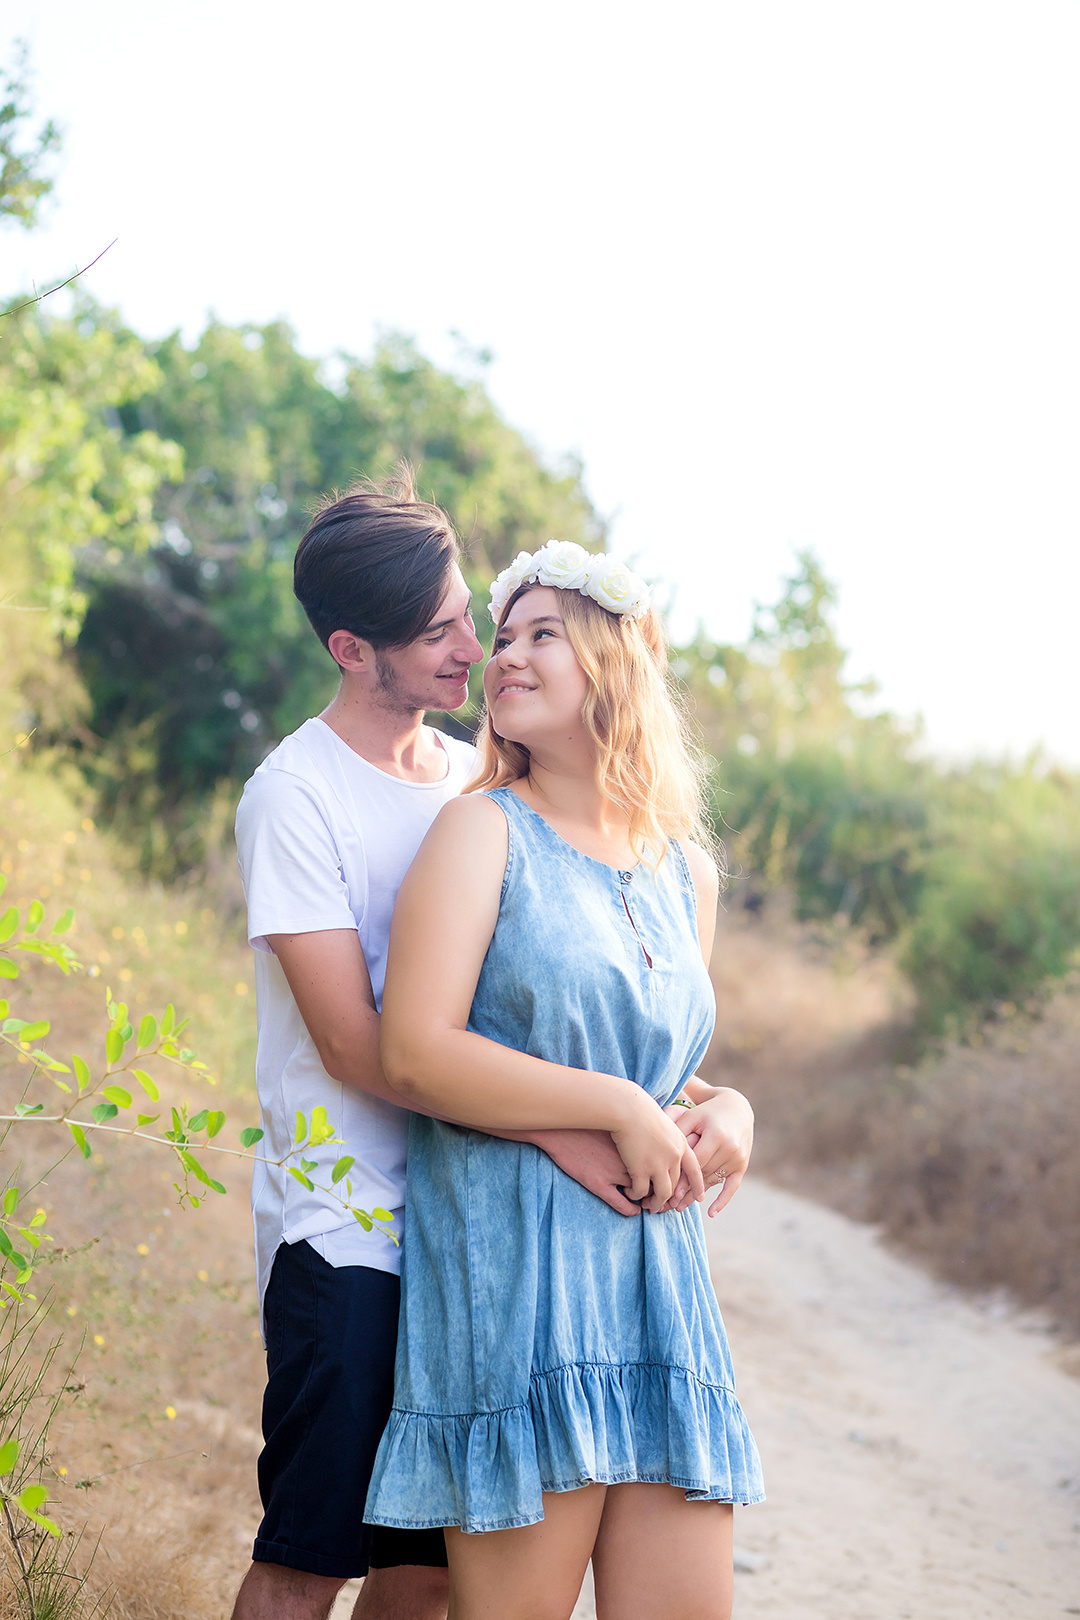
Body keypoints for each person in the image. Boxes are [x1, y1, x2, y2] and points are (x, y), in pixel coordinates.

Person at [230, 479, 659, 1620]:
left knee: (425, 1576)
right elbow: (361, 1049)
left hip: (471, 1230)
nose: (475, 648)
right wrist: (569, 1129)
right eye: (439, 634)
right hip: (350, 1228)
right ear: (351, 650)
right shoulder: (294, 798)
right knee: (309, 1560)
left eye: (470, 614)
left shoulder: (477, 778)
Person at [364, 540, 764, 1620]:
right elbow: (415, 1051)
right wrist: (617, 1106)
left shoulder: (687, 871)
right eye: (505, 636)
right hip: (521, 1294)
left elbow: (651, 1060)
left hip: (660, 1295)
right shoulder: (480, 831)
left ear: (615, 666)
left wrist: (725, 1107)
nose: (506, 656)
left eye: (544, 634)